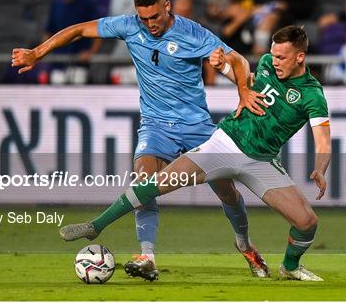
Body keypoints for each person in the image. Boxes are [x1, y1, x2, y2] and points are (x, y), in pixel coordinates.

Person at [11, 0, 270, 281]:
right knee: (142, 180)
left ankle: (245, 245)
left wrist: (244, 92)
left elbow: (236, 59)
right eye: (144, 19)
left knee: (226, 191)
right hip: (155, 125)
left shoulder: (193, 33)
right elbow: (79, 30)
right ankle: (147, 256)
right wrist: (37, 52)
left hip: (197, 126)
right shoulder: (129, 26)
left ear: (168, 7)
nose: (150, 24)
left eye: (155, 17)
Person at [58, 25, 331, 282]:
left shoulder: (312, 95)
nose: (275, 61)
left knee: (307, 222)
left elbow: (323, 141)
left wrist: (320, 168)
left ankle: (289, 266)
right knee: (154, 184)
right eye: (273, 54)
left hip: (262, 162)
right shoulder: (268, 65)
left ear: (300, 56)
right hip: (222, 146)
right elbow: (245, 76)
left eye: (282, 57)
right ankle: (96, 225)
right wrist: (222, 64)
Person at [44, 0, 101, 84]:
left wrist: (91, 52)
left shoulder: (87, 5)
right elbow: (48, 33)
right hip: (59, 63)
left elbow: (98, 32)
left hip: (80, 63)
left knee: (79, 83)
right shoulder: (55, 5)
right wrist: (45, 53)